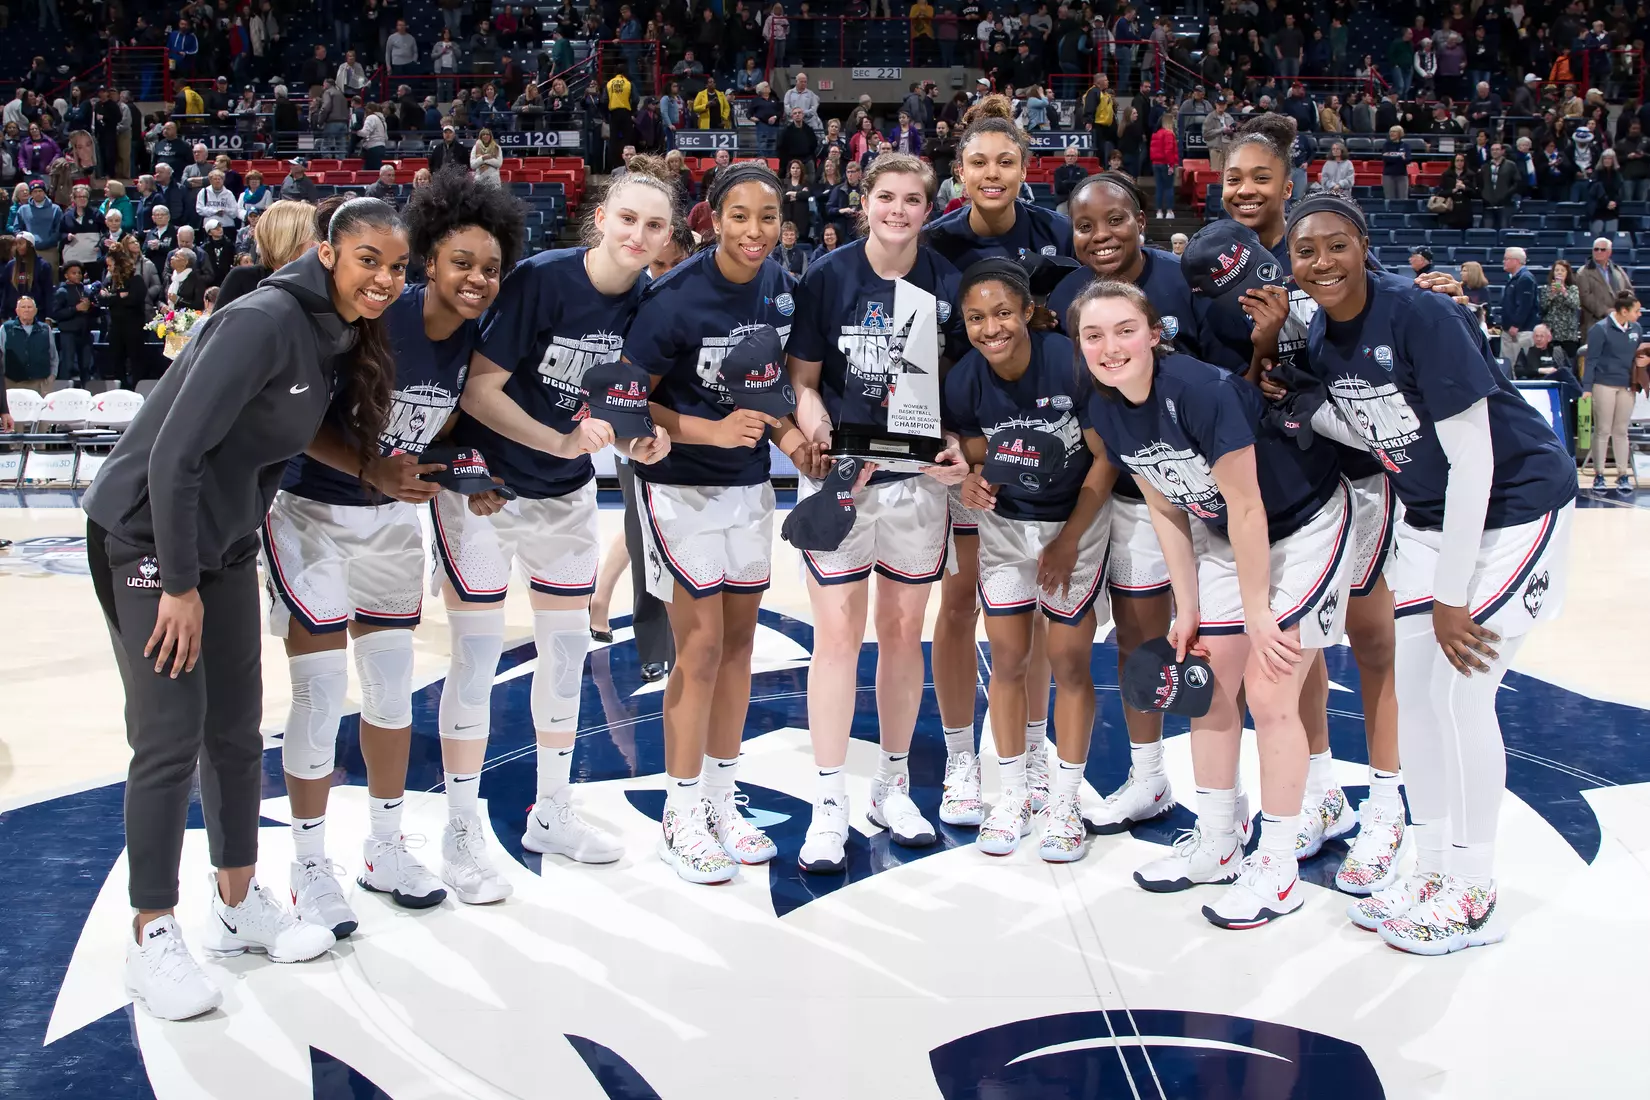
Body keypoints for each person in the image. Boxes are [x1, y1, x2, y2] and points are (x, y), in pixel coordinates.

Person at [80, 197, 408, 1021]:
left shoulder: (335, 330)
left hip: (221, 542)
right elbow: (173, 453)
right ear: (330, 252)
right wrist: (181, 585)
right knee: (169, 735)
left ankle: (236, 905)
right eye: (370, 259)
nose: (386, 279)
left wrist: (374, 469)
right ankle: (151, 932)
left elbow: (285, 430)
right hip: (147, 538)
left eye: (397, 266)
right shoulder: (261, 318)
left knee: (234, 730)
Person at [1288, 192, 1577, 954]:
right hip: (1427, 520)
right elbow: (1369, 427)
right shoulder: (1322, 334)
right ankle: (1434, 864)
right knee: (1414, 696)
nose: (1320, 262)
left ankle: (1476, 891)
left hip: (1513, 508)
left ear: (1363, 243)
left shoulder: (1420, 315)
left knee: (1460, 691)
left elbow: (1476, 460)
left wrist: (1452, 601)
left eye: (1334, 245)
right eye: (1304, 251)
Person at [264, 180, 524, 934]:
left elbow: (424, 432)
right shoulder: (383, 317)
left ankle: (383, 848)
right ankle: (309, 865)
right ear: (429, 264)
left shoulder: (471, 341)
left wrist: (464, 473)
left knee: (389, 691)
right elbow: (299, 414)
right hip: (311, 510)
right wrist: (366, 467)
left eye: (490, 267)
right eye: (460, 263)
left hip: (387, 525)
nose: (476, 278)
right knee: (316, 692)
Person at [434, 158, 676, 900]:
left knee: (566, 654)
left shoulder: (649, 303)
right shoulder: (541, 277)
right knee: (475, 660)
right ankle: (460, 832)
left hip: (566, 497)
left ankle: (554, 809)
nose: (638, 234)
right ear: (600, 217)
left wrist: (642, 442)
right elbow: (478, 391)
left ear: (668, 237)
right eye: (627, 218)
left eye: (655, 225)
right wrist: (559, 442)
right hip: (488, 491)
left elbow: (623, 410)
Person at [1076, 276, 1350, 927]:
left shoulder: (1200, 390)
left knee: (1271, 686)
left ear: (1152, 334)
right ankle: (1220, 844)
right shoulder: (1106, 406)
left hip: (1303, 525)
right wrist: (1190, 606)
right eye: (1093, 335)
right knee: (1207, 682)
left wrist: (1257, 612)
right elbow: (1167, 505)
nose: (1109, 346)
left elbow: (1251, 504)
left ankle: (1279, 869)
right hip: (1227, 534)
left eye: (1123, 330)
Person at [1222, 114, 1440, 888]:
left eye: (1259, 176)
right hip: (1291, 489)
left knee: (1373, 642)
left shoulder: (1325, 259)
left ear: (1289, 181)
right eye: (1232, 178)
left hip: (1361, 477)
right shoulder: (1220, 265)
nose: (1245, 189)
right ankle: (1320, 793)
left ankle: (1387, 808)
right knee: (1301, 650)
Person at [785, 152, 968, 872]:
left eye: (913, 199)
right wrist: (811, 418)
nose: (898, 209)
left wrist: (953, 443)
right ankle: (829, 803)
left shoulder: (946, 284)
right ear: (865, 201)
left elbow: (957, 391)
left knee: (901, 633)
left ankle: (892, 786)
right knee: (836, 637)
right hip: (844, 478)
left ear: (930, 207)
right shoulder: (828, 277)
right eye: (886, 196)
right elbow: (802, 381)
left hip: (917, 482)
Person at [625, 162, 805, 884]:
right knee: (697, 652)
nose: (753, 231)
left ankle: (723, 800)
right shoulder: (673, 297)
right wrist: (709, 430)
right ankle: (680, 810)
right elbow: (628, 400)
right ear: (712, 217)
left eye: (767, 216)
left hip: (748, 486)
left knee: (738, 650)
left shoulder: (782, 289)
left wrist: (794, 442)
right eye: (739, 216)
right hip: (679, 487)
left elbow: (773, 392)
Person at [1042, 171, 1215, 832]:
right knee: (1142, 639)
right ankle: (1150, 780)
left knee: (1220, 644)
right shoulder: (1063, 294)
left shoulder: (1183, 279)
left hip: (1201, 488)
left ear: (1141, 217)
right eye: (1084, 226)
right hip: (1127, 490)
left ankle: (1233, 792)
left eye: (1114, 220)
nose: (1100, 236)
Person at [924, 94, 1073, 819]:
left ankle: (1033, 751)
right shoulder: (935, 244)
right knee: (959, 603)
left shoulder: (1055, 235)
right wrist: (952, 445)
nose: (992, 173)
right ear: (959, 172)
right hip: (966, 446)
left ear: (1024, 167)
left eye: (1005, 161)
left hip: (1042, 450)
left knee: (1034, 610)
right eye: (978, 162)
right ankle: (960, 758)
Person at [947, 260, 1114, 860]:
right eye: (975, 318)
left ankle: (1064, 800)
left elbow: (1104, 459)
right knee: (1009, 660)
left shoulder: (1069, 361)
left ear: (1026, 313)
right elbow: (964, 441)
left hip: (1075, 525)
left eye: (1001, 313)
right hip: (1004, 528)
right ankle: (1013, 792)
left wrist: (1068, 540)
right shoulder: (966, 377)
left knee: (1069, 662)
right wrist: (969, 473)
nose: (990, 327)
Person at [1582, 289, 1643, 495]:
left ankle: (1622, 473)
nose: (1640, 314)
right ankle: (1599, 474)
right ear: (1624, 311)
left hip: (1626, 386)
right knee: (1603, 430)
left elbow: (1635, 355)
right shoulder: (1600, 329)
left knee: (1621, 431)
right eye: (1636, 311)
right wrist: (1587, 388)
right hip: (1604, 384)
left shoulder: (1636, 329)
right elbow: (1591, 360)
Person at [49, 259, 95, 386]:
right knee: (68, 364)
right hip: (68, 333)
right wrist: (75, 309)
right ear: (66, 275)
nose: (77, 275)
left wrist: (91, 307)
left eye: (79, 273)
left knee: (86, 365)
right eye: (73, 273)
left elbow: (95, 312)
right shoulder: (61, 291)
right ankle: (64, 391)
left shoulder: (86, 290)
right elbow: (56, 313)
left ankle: (87, 391)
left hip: (85, 333)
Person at [1577, 236, 1633, 336]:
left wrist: (1624, 307)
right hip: (1595, 322)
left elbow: (1629, 290)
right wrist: (1606, 311)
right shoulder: (1583, 272)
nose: (1598, 252)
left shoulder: (1618, 270)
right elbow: (1585, 297)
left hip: (1620, 320)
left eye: (1602, 249)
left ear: (1609, 252)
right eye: (1596, 249)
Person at [0, 294, 56, 393]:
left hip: (39, 384)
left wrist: (52, 376)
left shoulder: (45, 329)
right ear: (17, 311)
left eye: (30, 307)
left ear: (35, 311)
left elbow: (53, 356)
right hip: (12, 383)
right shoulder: (6, 328)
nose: (26, 310)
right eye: (23, 307)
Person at [1500, 247, 1540, 366]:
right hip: (1511, 331)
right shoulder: (1515, 278)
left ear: (1516, 261)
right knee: (1508, 366)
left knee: (1519, 366)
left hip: (1520, 332)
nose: (1503, 261)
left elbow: (1525, 305)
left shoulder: (1525, 278)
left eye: (1506, 259)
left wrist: (1516, 324)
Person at [1543, 258, 1583, 359]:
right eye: (1557, 270)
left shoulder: (1573, 289)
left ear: (1567, 273)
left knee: (1569, 362)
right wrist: (1552, 295)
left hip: (1568, 333)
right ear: (1553, 273)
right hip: (1552, 333)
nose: (1559, 272)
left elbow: (1575, 304)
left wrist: (1564, 292)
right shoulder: (1546, 289)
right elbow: (1543, 307)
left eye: (1562, 270)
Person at [1149, 113, 1179, 219]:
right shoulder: (1168, 134)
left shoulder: (1155, 134)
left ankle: (1159, 212)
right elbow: (1169, 151)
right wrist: (1171, 165)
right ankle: (1169, 211)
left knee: (1159, 188)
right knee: (1169, 187)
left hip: (1156, 164)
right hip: (1166, 164)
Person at [1381, 125, 1411, 200]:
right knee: (1389, 198)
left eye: (1394, 131)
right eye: (1390, 131)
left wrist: (1392, 155)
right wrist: (1400, 157)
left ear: (1400, 133)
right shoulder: (1386, 145)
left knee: (1403, 198)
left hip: (1402, 175)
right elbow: (1385, 159)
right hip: (1388, 175)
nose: (1391, 133)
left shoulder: (1406, 146)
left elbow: (1408, 160)